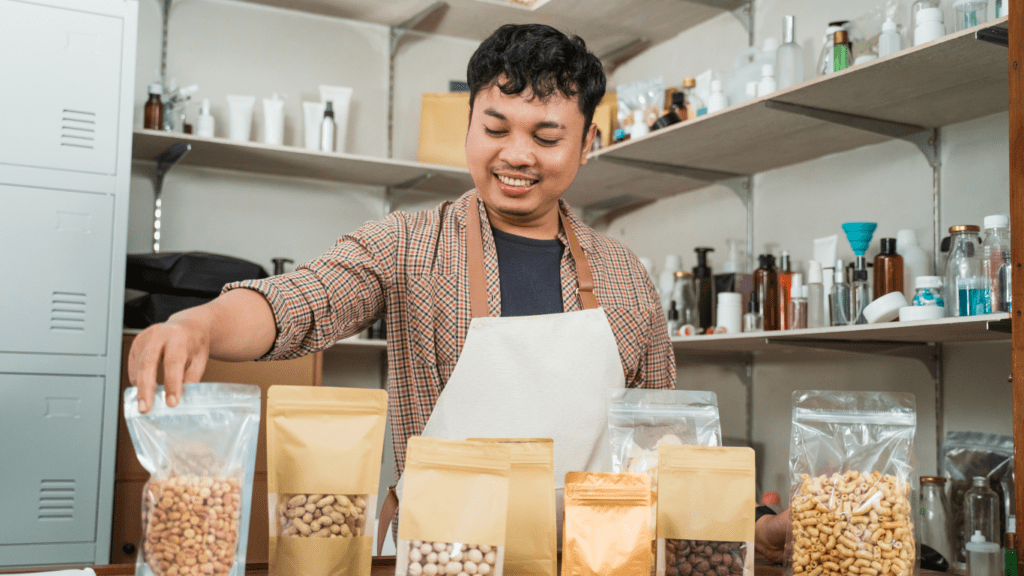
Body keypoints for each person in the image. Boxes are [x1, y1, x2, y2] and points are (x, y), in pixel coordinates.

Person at [128, 22, 789, 560]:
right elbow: (303, 300)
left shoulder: (623, 274)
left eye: (546, 135)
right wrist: (200, 327)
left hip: (591, 559)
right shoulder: (411, 243)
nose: (516, 154)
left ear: (588, 143)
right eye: (495, 128)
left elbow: (665, 446)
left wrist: (750, 530)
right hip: (440, 552)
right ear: (469, 126)